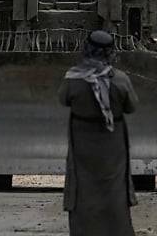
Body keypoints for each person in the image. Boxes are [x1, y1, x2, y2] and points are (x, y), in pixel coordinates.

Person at [59, 30, 139, 236]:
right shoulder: (120, 79)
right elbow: (131, 106)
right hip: (112, 144)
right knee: (114, 187)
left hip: (82, 143)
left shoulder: (73, 78)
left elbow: (63, 99)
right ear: (111, 53)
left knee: (83, 187)